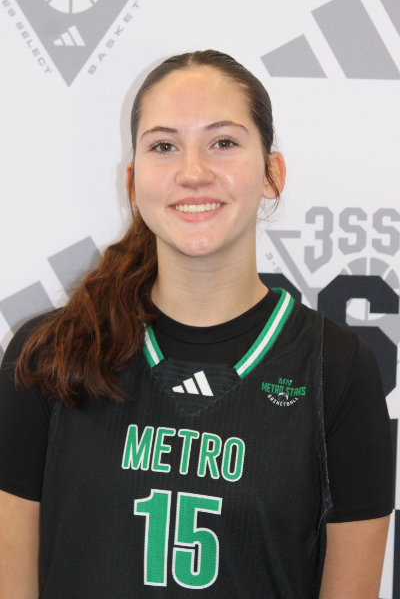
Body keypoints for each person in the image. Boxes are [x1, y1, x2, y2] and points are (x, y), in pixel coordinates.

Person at [0, 50, 394, 599]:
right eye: (164, 146)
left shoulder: (339, 370)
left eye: (223, 142)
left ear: (272, 174)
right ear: (133, 181)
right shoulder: (48, 355)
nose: (192, 172)